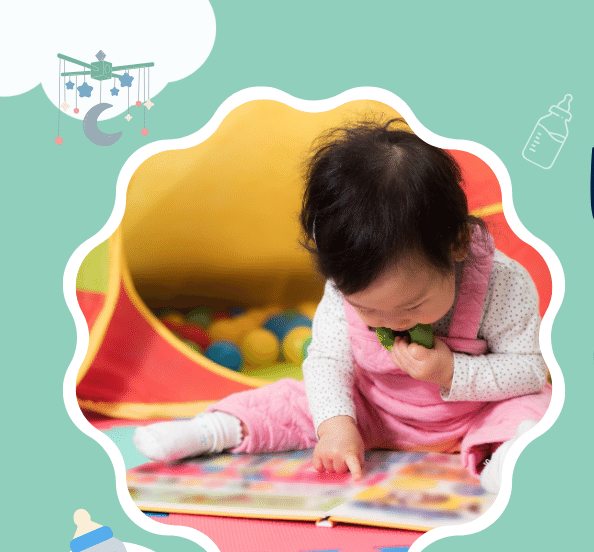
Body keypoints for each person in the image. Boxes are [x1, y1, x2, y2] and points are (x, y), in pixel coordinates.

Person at [132, 119, 550, 493]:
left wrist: (450, 371)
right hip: (375, 410)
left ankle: (505, 461)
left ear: (457, 244)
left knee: (536, 406)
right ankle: (213, 430)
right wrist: (336, 427)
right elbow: (328, 360)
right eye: (367, 310)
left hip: (473, 417)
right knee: (296, 399)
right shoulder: (345, 281)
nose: (392, 322)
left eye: (413, 304)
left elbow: (529, 370)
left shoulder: (502, 283)